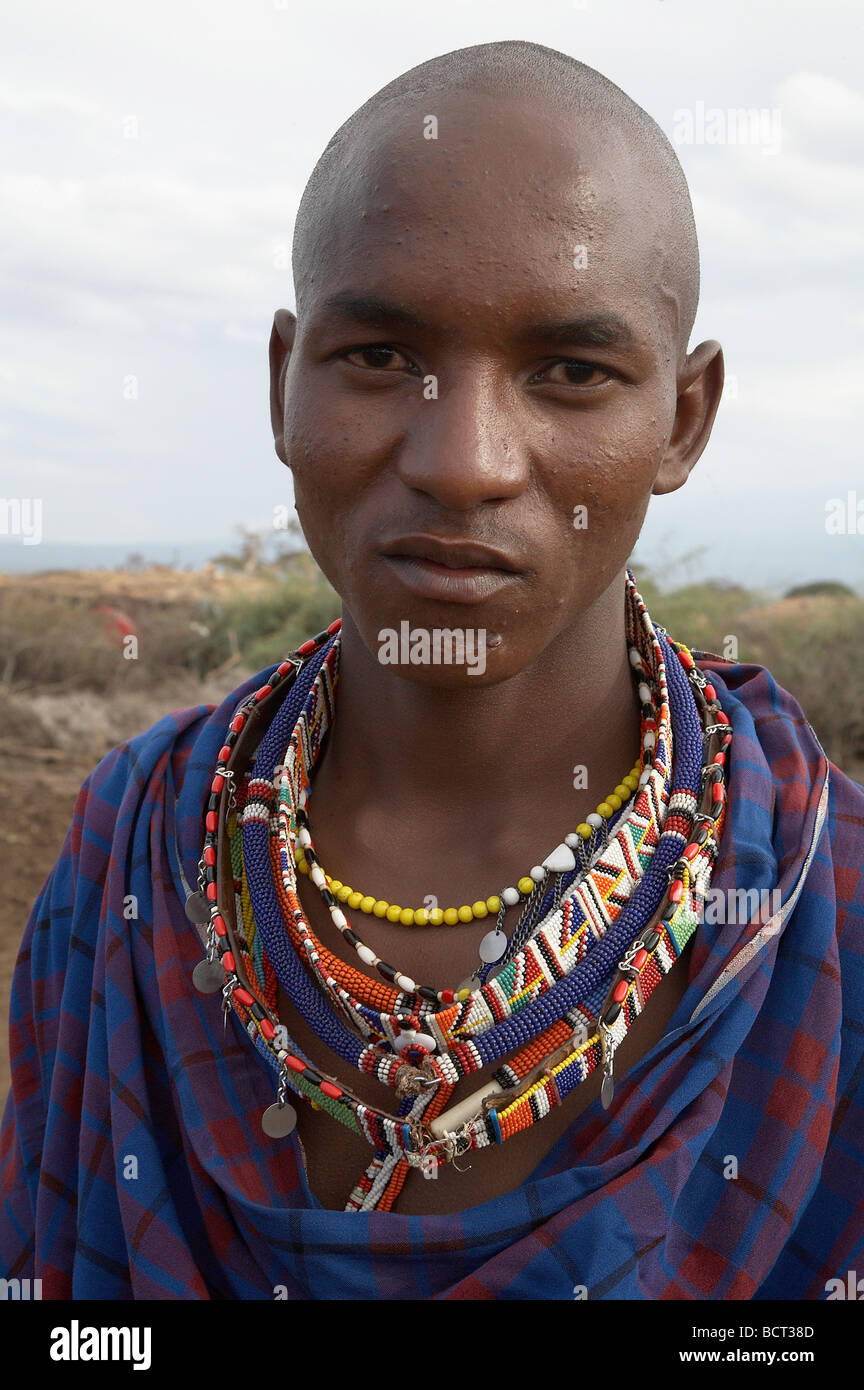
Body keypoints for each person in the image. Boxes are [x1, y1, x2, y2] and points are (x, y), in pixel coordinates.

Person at [2, 39, 862, 1302]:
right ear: (282, 385)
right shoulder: (131, 841)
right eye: (378, 357)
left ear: (682, 419)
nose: (465, 461)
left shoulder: (825, 894)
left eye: (572, 370)